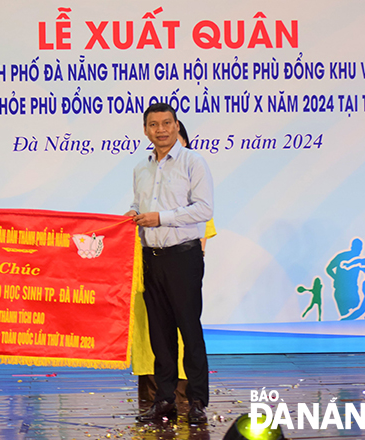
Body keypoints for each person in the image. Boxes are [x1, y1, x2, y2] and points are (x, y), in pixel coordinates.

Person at [126, 103, 213, 424]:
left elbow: (204, 209)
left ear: (177, 126)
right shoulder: (141, 168)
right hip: (151, 259)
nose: (160, 129)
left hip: (183, 257)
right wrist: (130, 216)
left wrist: (160, 218)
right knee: (159, 333)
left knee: (189, 330)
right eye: (153, 124)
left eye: (166, 123)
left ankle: (198, 400)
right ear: (145, 130)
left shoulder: (194, 162)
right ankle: (164, 400)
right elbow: (139, 205)